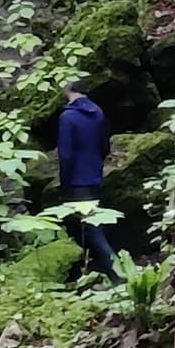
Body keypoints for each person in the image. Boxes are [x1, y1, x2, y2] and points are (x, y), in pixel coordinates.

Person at [55, 86, 117, 278]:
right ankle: (96, 272)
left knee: (91, 228)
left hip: (76, 181)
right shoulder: (97, 111)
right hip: (94, 175)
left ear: (66, 88)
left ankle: (118, 271)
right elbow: (104, 145)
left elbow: (65, 154)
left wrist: (64, 180)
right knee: (92, 222)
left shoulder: (67, 118)